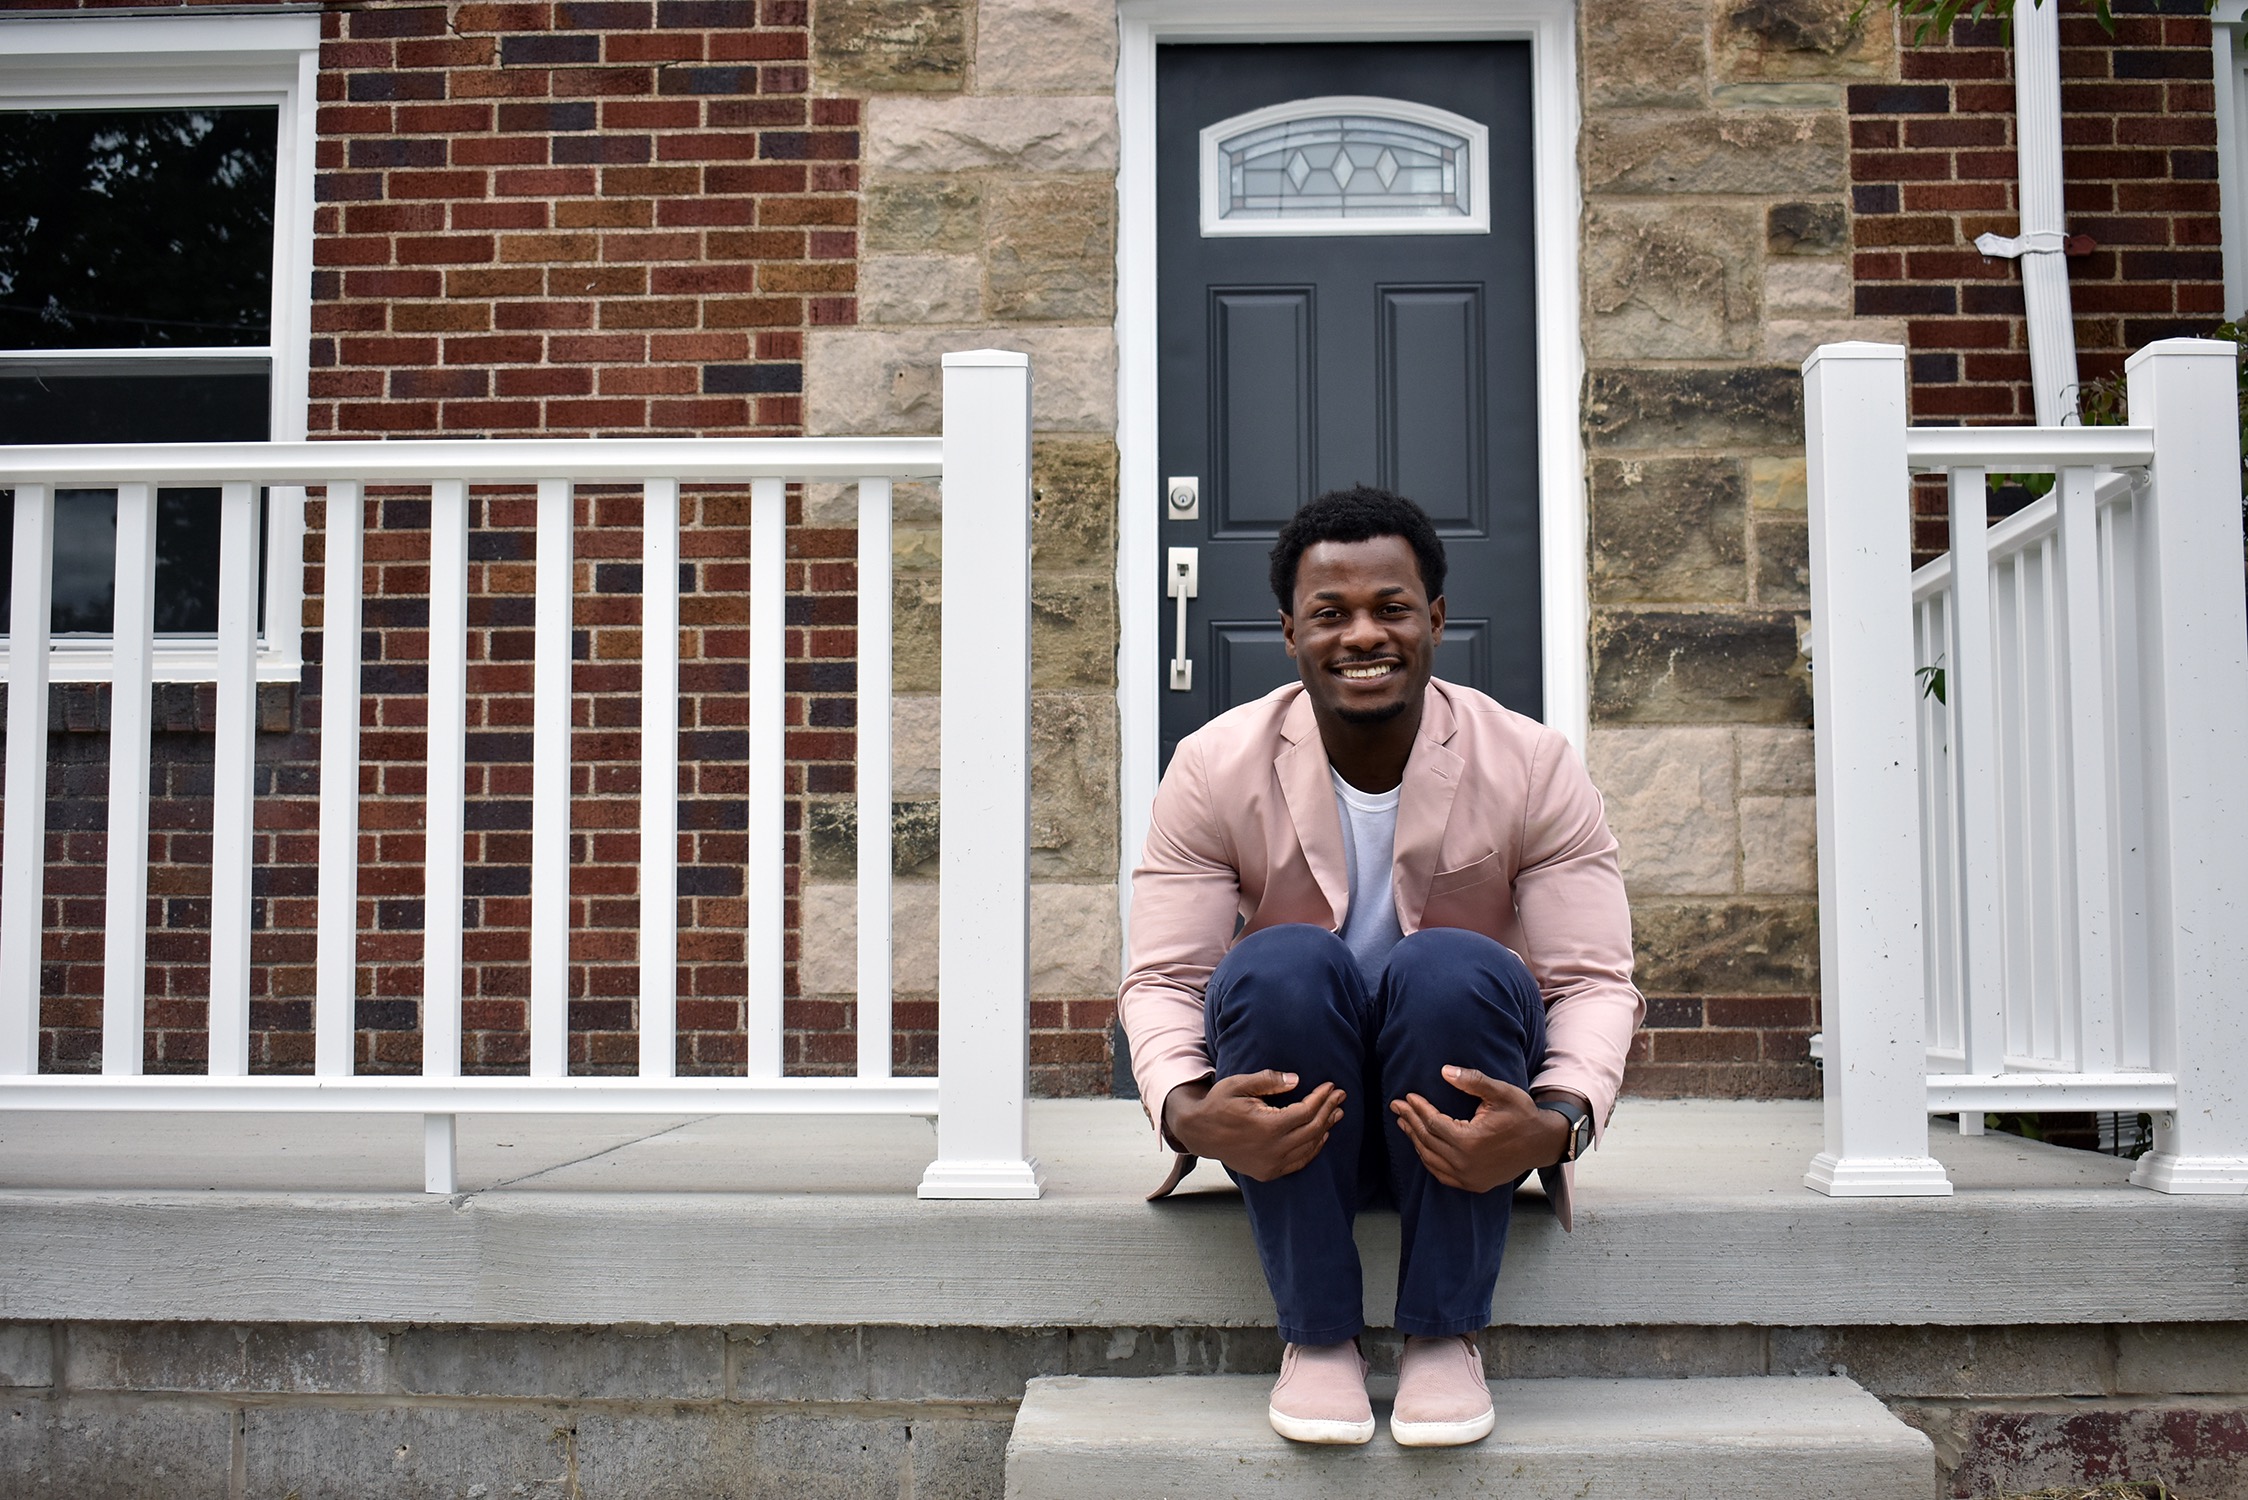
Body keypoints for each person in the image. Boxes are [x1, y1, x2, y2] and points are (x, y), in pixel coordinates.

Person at [1118, 486, 1642, 1448]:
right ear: (1289, 633)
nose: (1364, 635)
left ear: (1435, 619)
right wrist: (1187, 1110)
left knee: (1450, 965)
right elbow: (1164, 980)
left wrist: (1557, 1123)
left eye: (1391, 608)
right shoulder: (1212, 765)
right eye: (1332, 614)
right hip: (1294, 1124)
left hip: (1455, 1130)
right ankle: (1320, 1341)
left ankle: (1443, 1334)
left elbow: (1594, 982)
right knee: (1280, 962)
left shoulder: (1530, 763)